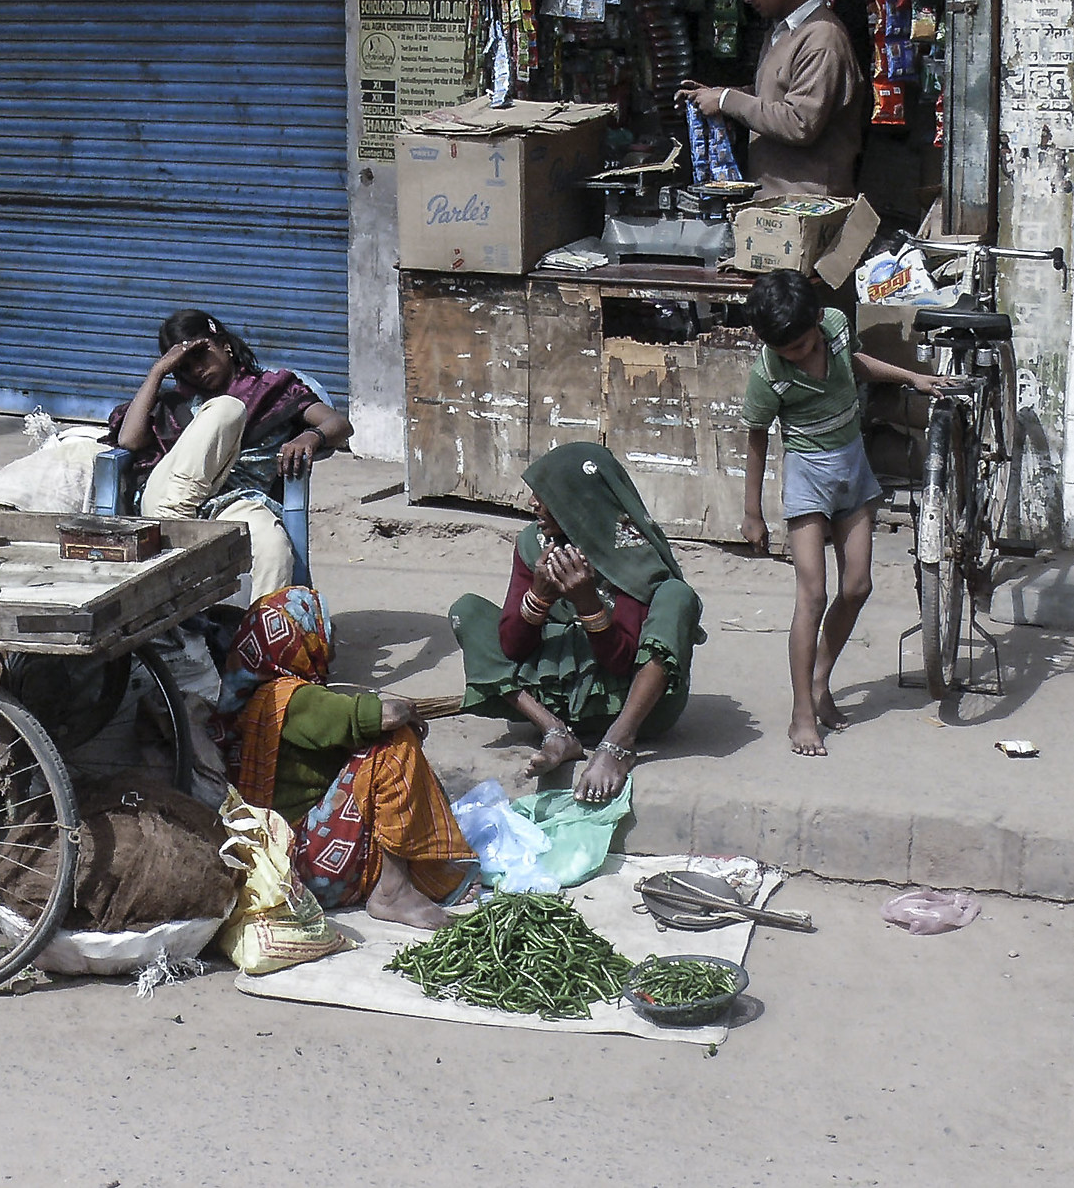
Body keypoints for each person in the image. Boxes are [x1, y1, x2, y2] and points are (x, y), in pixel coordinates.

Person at [739, 270, 948, 756]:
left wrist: (913, 377)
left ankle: (819, 682)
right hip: (807, 474)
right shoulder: (767, 375)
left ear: (817, 323)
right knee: (812, 594)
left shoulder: (833, 326)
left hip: (852, 466)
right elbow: (754, 439)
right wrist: (753, 512)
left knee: (858, 586)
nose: (801, 355)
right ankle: (800, 714)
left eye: (806, 344)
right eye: (788, 350)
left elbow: (857, 364)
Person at [448, 443, 706, 806]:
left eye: (545, 497)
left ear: (578, 501)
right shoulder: (534, 545)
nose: (534, 506)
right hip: (553, 700)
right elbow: (512, 647)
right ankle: (554, 733)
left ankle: (618, 745)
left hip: (630, 706)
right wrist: (538, 598)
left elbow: (621, 661)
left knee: (678, 596)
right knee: (468, 610)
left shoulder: (631, 552)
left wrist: (588, 603)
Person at [215, 585, 471, 930]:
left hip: (279, 856)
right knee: (394, 745)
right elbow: (384, 715)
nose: (332, 649)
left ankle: (399, 875)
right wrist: (408, 710)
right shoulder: (290, 699)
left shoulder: (245, 698)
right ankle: (393, 892)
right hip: (311, 866)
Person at [111, 310, 350, 600]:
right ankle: (178, 525)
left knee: (274, 548)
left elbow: (339, 424)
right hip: (167, 503)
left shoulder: (273, 391)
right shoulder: (175, 402)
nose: (196, 370)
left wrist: (312, 436)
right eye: (183, 367)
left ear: (223, 344)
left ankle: (259, 640)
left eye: (201, 355)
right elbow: (128, 439)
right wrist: (159, 371)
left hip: (234, 502)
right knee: (228, 408)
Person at [675, 0, 865, 198]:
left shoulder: (822, 37)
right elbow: (774, 99)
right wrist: (719, 98)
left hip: (810, 205)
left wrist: (728, 100)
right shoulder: (782, 32)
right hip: (778, 202)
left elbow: (800, 123)